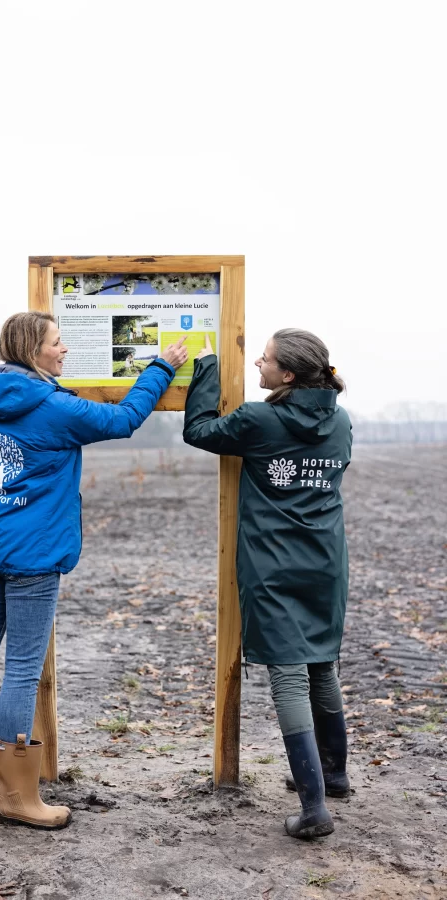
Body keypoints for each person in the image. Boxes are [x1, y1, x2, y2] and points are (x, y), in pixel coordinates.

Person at [0, 310, 187, 830]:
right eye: (57, 342)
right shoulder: (53, 408)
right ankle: (17, 797)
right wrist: (160, 368)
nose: (65, 350)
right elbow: (121, 421)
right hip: (32, 554)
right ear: (34, 350)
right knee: (23, 669)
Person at [183, 329, 351, 840]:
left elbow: (200, 431)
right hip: (325, 563)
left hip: (273, 569)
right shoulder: (341, 420)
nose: (258, 361)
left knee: (288, 674)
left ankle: (313, 808)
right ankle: (335, 777)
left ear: (289, 375)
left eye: (267, 358)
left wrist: (208, 366)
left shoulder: (260, 420)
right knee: (321, 662)